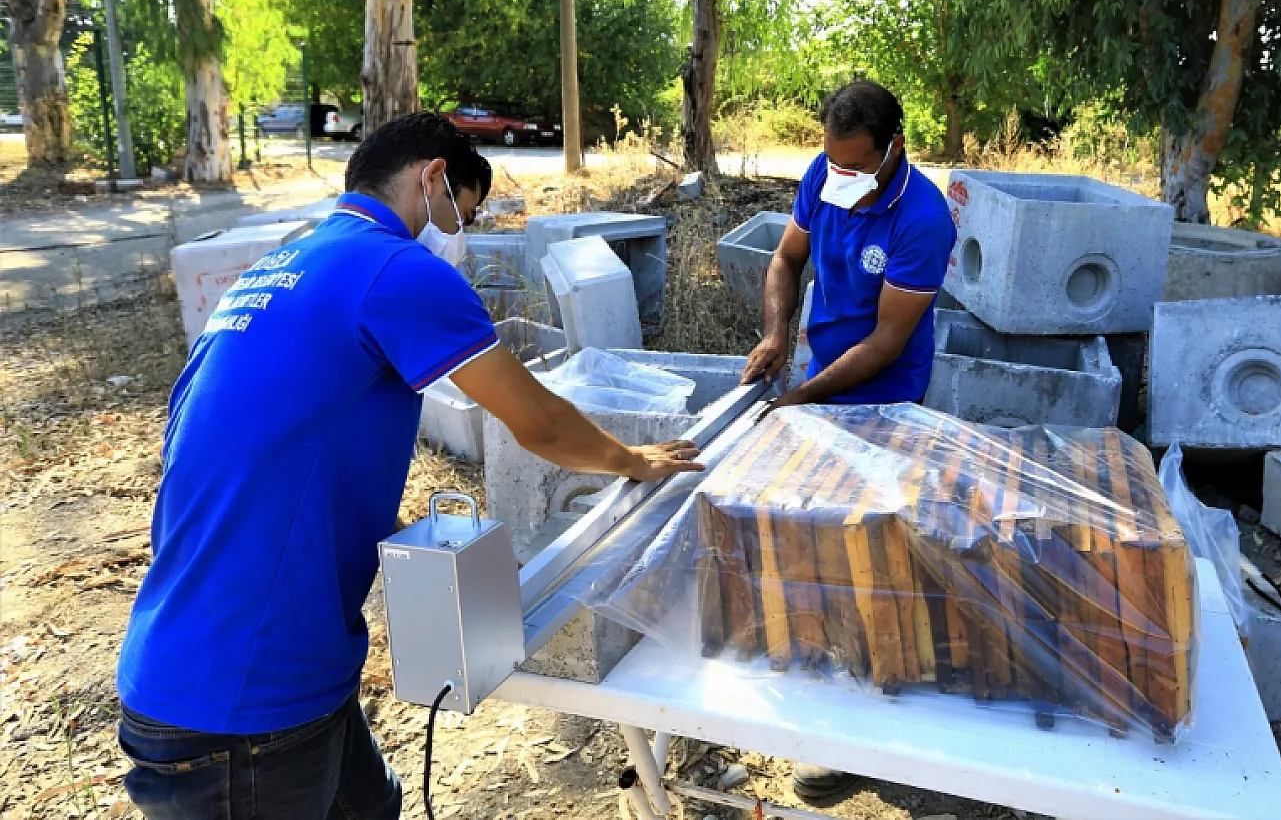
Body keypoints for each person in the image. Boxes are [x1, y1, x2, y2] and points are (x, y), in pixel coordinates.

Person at [115, 112, 702, 819]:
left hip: (235, 660)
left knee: (374, 806)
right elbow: (539, 423)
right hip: (244, 703)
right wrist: (630, 459)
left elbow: (267, 446)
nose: (456, 234)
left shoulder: (283, 266)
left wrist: (425, 550)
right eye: (462, 212)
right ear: (432, 179)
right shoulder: (395, 268)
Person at [741, 79, 957, 800]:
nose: (845, 181)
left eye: (858, 168)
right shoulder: (826, 173)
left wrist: (802, 400)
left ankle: (874, 728)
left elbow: (891, 339)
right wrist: (777, 334)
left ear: (896, 147)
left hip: (884, 401)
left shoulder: (922, 219)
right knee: (818, 546)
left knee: (876, 557)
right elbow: (784, 261)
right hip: (817, 379)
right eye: (834, 165)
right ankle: (829, 697)